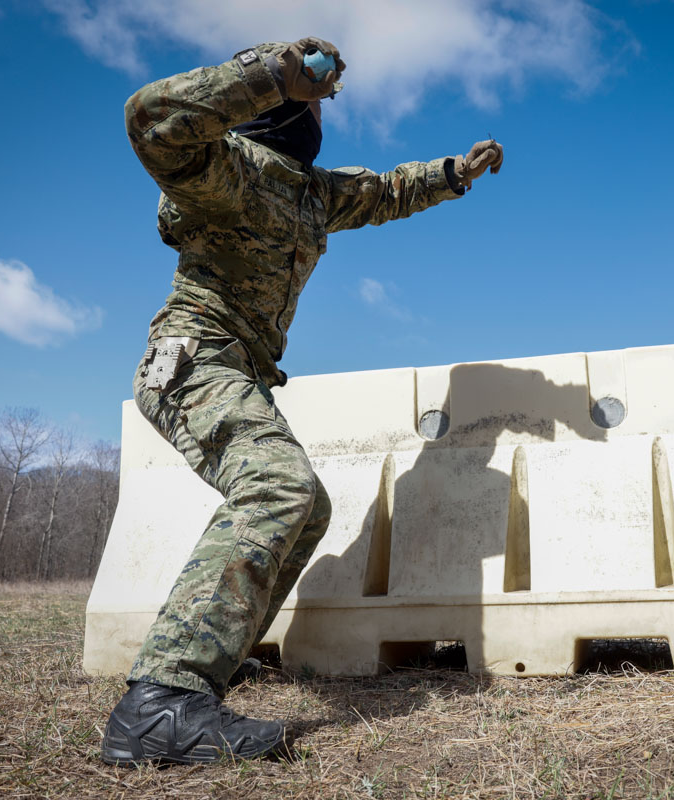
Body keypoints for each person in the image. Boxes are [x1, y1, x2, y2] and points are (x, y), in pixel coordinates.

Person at [100, 35, 504, 766]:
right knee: (277, 486)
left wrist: (454, 172)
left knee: (306, 505)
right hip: (195, 360)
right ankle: (161, 702)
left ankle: (218, 655)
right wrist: (267, 74)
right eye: (307, 96)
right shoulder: (222, 169)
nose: (318, 108)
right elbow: (150, 119)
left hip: (244, 370)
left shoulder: (314, 194)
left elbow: (388, 192)